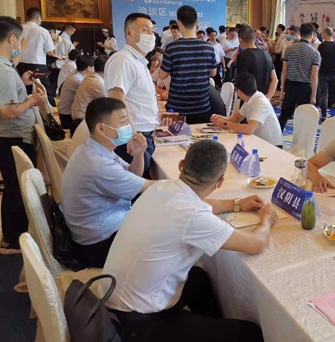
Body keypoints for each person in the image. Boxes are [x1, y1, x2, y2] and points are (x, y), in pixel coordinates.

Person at [100, 139, 277, 341]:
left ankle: (212, 328)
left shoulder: (161, 187)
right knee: (249, 334)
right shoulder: (193, 216)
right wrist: (266, 219)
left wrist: (237, 204)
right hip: (135, 321)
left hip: (115, 296)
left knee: (198, 279)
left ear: (181, 165)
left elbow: (200, 203)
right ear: (220, 182)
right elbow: (255, 244)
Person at [61, 98, 157, 268]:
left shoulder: (95, 149)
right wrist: (186, 183)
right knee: (164, 232)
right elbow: (146, 187)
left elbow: (133, 175)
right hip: (99, 245)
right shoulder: (97, 164)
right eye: (123, 122)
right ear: (101, 128)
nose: (129, 127)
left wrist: (138, 154)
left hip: (98, 232)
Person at [0, 16, 46, 252]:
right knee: (16, 187)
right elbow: (7, 112)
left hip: (11, 136)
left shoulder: (5, 67)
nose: (19, 45)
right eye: (19, 40)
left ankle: (13, 234)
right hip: (12, 137)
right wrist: (32, 101)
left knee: (15, 185)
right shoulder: (3, 71)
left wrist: (22, 84)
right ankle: (12, 238)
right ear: (12, 39)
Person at [104, 12, 161, 177]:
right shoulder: (123, 60)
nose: (151, 35)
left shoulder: (139, 61)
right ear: (129, 33)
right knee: (134, 185)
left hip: (143, 136)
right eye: (145, 30)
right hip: (131, 138)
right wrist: (130, 135)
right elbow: (117, 100)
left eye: (152, 31)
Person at [160, 5, 217, 125]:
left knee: (175, 136)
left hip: (177, 107)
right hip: (202, 106)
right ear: (197, 22)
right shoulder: (208, 47)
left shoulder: (172, 47)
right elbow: (213, 73)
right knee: (199, 136)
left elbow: (162, 75)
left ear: (179, 23)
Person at [211, 73, 283, 147]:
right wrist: (221, 119)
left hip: (273, 145)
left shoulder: (261, 103)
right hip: (259, 140)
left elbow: (249, 129)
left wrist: (225, 124)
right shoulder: (250, 99)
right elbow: (237, 118)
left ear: (239, 92)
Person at [278, 23, 320, 131]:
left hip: (290, 85)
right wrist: (314, 95)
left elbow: (284, 71)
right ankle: (300, 138)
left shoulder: (289, 49)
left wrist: (282, 89)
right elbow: (314, 76)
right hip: (305, 87)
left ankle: (277, 136)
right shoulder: (315, 53)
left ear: (300, 33)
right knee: (303, 116)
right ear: (312, 35)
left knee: (284, 114)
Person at [18, 7, 57, 102]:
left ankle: (25, 108)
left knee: (24, 90)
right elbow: (50, 52)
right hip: (38, 66)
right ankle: (48, 109)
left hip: (20, 64)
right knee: (44, 91)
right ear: (38, 18)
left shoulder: (18, 29)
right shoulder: (43, 31)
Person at [235, 26, 277, 99]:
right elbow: (275, 79)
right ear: (254, 38)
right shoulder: (266, 54)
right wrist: (267, 99)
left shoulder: (243, 56)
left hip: (249, 98)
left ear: (240, 40)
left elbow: (242, 81)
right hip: (264, 97)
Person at [71, 55, 108, 136]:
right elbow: (111, 102)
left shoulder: (93, 77)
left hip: (80, 121)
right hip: (81, 124)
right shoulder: (97, 82)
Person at [58, 55, 95, 130]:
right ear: (88, 68)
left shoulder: (76, 73)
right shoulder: (77, 81)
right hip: (67, 117)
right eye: (93, 67)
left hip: (66, 113)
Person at [317, 26, 335, 122]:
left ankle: (324, 116)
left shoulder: (322, 46)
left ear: (325, 33)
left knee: (324, 95)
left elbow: (319, 60)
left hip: (323, 73)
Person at [50, 28, 74, 95]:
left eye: (50, 34)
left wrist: (63, 57)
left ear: (53, 31)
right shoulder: (47, 42)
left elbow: (73, 54)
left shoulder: (66, 42)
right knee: (51, 89)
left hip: (63, 68)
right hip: (51, 68)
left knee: (62, 88)